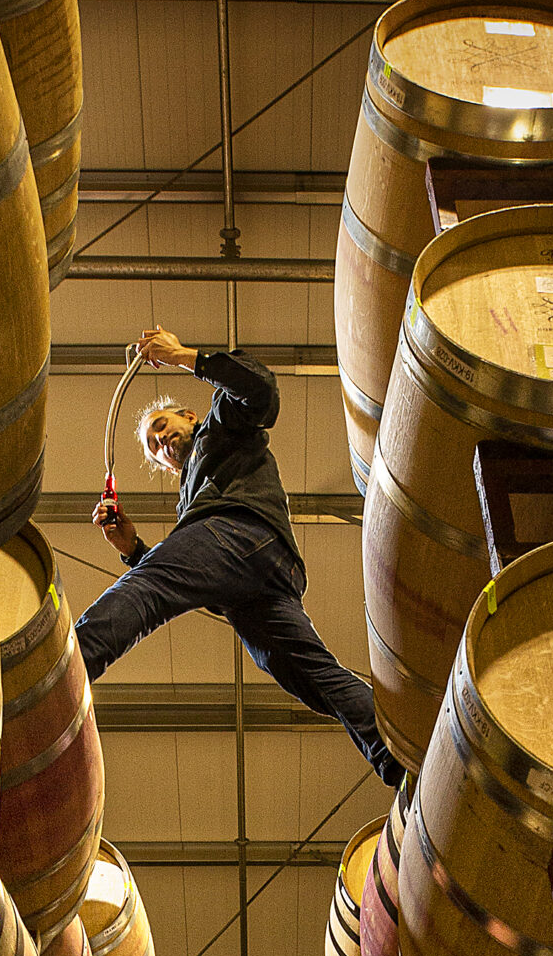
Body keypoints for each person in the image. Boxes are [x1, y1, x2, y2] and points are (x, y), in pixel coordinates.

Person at [80, 328, 405, 789]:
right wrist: (133, 548)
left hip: (241, 534)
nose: (160, 442)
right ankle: (398, 756)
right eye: (153, 447)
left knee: (146, 590)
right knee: (316, 680)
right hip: (262, 578)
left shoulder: (219, 425)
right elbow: (197, 578)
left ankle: (68, 669)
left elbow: (262, 391)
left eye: (161, 426)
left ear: (188, 415)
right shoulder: (190, 499)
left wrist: (185, 356)